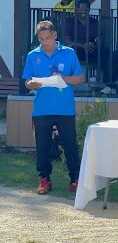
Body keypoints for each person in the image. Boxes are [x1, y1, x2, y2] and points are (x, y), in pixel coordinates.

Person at [22, 20, 84, 195]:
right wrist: (32, 84)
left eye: (47, 38)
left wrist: (64, 79)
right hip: (42, 109)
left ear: (55, 36)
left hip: (65, 108)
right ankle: (44, 179)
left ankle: (75, 179)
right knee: (42, 145)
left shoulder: (69, 53)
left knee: (70, 144)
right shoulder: (32, 55)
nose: (45, 42)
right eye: (41, 39)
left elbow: (79, 78)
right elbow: (27, 81)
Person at [64, 0, 102, 66]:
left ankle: (105, 76)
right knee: (75, 52)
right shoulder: (70, 21)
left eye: (86, 9)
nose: (83, 11)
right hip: (77, 48)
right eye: (81, 9)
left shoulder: (94, 21)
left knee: (106, 53)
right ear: (77, 10)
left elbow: (99, 38)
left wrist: (94, 45)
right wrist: (82, 46)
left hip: (91, 49)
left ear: (89, 10)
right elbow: (67, 41)